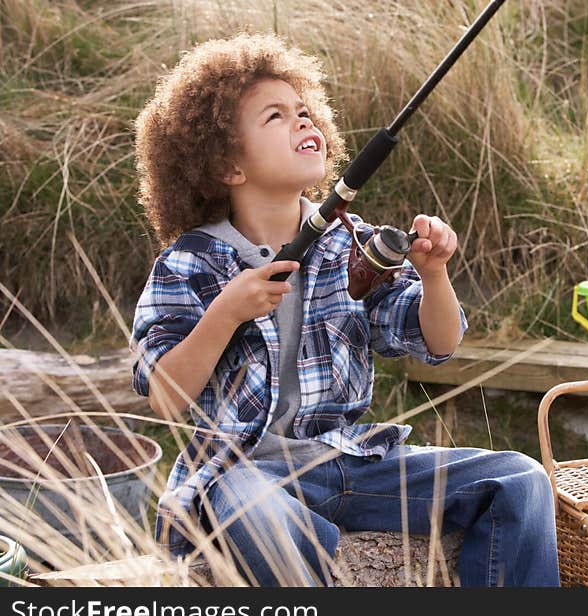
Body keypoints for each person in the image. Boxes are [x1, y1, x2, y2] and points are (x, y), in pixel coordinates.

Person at [130, 32, 559, 587]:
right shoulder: (187, 263)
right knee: (249, 512)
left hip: (353, 460)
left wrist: (434, 274)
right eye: (276, 116)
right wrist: (224, 315)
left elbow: (439, 342)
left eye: (305, 111)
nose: (303, 122)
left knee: (520, 480)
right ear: (227, 165)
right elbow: (165, 395)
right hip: (247, 472)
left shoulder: (350, 242)